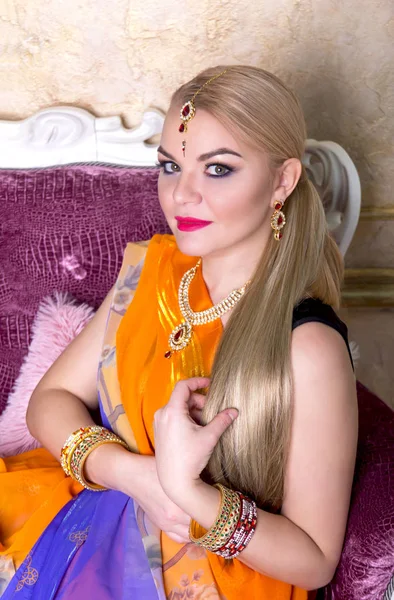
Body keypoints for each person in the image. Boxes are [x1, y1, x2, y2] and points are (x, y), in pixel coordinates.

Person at [0, 65, 358, 599]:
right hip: (96, 520)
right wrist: (134, 474)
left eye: (217, 170)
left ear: (281, 181)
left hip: (218, 577)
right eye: (170, 165)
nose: (181, 195)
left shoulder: (306, 344)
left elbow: (314, 561)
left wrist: (187, 493)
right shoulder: (152, 276)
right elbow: (48, 400)